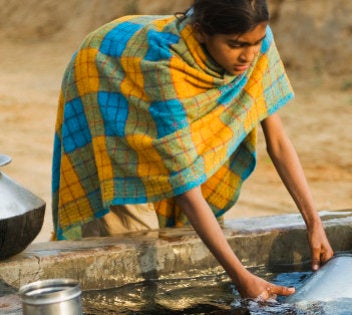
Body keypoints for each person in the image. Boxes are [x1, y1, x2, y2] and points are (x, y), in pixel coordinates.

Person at [51, 0, 333, 301]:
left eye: (256, 43)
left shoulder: (256, 45)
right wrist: (242, 278)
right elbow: (186, 187)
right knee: (132, 249)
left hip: (146, 81)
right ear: (199, 32)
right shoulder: (165, 66)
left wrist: (314, 223)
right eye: (236, 45)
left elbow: (276, 140)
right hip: (105, 78)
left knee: (183, 215)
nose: (248, 56)